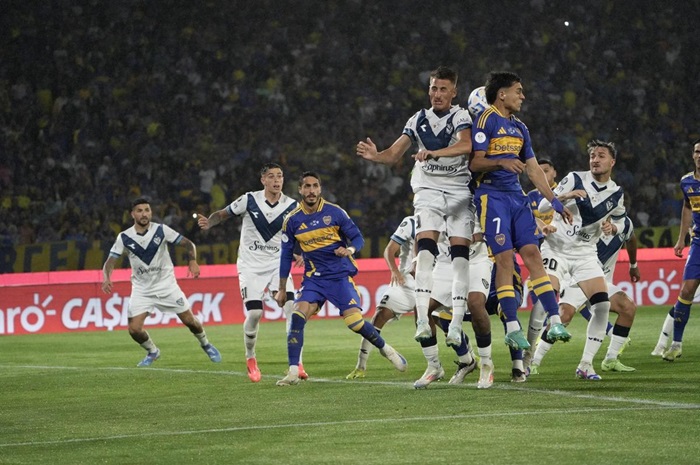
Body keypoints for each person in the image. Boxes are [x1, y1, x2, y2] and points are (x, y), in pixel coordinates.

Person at [356, 66, 475, 347]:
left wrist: (434, 152)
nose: (437, 94)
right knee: (425, 252)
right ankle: (422, 320)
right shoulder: (418, 119)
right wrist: (376, 156)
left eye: (443, 89)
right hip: (428, 190)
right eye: (434, 88)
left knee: (460, 258)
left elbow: (466, 145)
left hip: (459, 190)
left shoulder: (461, 116)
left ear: (454, 92)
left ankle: (456, 324)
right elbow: (393, 154)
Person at [469, 71, 573, 353]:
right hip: (492, 197)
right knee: (505, 259)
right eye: (518, 91)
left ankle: (555, 321)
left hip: (517, 198)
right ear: (502, 94)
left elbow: (534, 169)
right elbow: (475, 163)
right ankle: (513, 329)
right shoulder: (486, 120)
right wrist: (501, 162)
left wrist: (556, 202)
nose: (522, 96)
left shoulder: (520, 128)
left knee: (533, 255)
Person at [274, 171, 407, 386]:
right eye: (307, 186)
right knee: (297, 316)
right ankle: (293, 372)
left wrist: (350, 249)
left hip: (339, 277)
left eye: (315, 186)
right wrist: (281, 288)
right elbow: (285, 256)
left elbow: (357, 238)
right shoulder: (292, 221)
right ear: (300, 190)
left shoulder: (335, 212)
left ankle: (386, 349)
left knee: (355, 323)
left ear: (320, 189)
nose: (311, 190)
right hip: (314, 280)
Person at [197, 162, 303, 383]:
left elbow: (299, 234)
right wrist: (209, 222)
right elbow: (222, 214)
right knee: (255, 313)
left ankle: (297, 363)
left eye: (280, 176)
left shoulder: (292, 205)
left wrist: (299, 252)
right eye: (271, 176)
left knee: (292, 309)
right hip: (250, 266)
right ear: (263, 180)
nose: (276, 180)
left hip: (277, 265)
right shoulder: (249, 200)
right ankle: (251, 358)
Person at [536, 139, 627, 379]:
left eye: (601, 156)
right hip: (556, 249)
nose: (595, 160)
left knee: (602, 306)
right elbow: (544, 206)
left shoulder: (616, 193)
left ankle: (586, 365)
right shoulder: (574, 178)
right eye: (592, 156)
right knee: (546, 302)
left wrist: (613, 228)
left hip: (585, 253)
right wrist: (565, 195)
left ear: (612, 161)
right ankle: (529, 361)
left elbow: (621, 220)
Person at [101, 197, 221, 367]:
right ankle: (153, 351)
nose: (144, 214)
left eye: (147, 210)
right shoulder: (124, 237)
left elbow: (188, 244)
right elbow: (110, 262)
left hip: (167, 286)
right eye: (140, 211)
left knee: (190, 321)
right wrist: (107, 278)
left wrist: (193, 261)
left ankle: (206, 344)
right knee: (134, 329)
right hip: (142, 290)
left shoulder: (161, 230)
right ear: (132, 214)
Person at [530, 215, 640, 374]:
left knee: (627, 307)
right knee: (564, 316)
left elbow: (631, 239)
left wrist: (633, 265)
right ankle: (534, 360)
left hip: (601, 280)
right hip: (576, 277)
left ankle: (610, 359)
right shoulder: (587, 218)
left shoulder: (625, 223)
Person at [346, 215, 417, 380]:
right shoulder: (411, 222)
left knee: (444, 323)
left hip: (433, 285)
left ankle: (467, 358)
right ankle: (361, 367)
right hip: (406, 284)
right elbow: (389, 250)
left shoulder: (446, 222)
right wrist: (394, 271)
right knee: (380, 315)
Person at [652, 138, 700, 361]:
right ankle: (676, 344)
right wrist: (681, 239)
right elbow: (687, 207)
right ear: (693, 155)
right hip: (698, 244)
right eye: (697, 151)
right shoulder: (686, 182)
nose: (699, 156)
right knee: (686, 292)